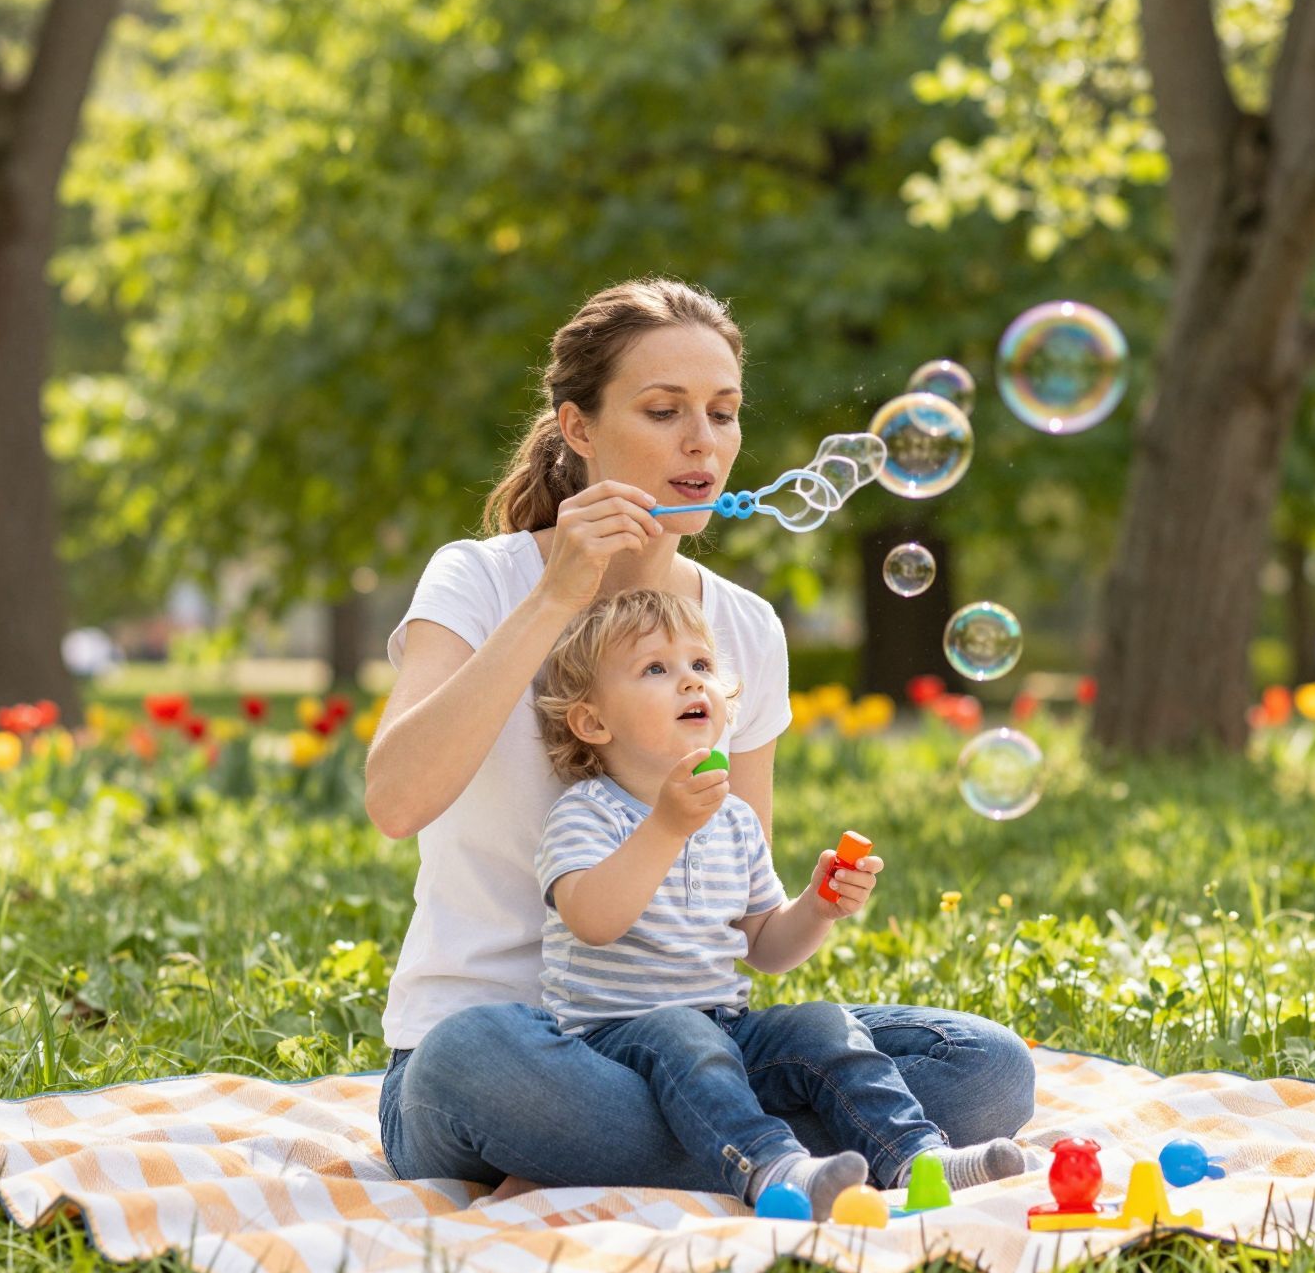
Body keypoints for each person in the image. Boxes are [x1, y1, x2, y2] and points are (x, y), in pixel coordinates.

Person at [365, 277, 1036, 1192]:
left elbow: (741, 917)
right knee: (473, 1056)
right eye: (663, 410)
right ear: (579, 428)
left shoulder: (746, 628)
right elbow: (396, 801)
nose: (703, 443)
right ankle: (782, 1149)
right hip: (507, 1049)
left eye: (723, 414)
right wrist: (558, 592)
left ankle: (736, 1155)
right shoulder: (478, 581)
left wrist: (813, 907)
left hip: (691, 1038)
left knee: (988, 1066)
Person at [530, 587, 1028, 1215]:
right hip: (611, 1048)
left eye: (701, 666)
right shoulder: (585, 812)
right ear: (593, 721)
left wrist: (815, 908)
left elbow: (764, 948)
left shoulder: (732, 818)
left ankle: (915, 1157)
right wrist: (666, 826)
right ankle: (775, 1168)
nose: (690, 683)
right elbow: (593, 920)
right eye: (657, 669)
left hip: (725, 1031)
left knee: (820, 1023)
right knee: (683, 1031)